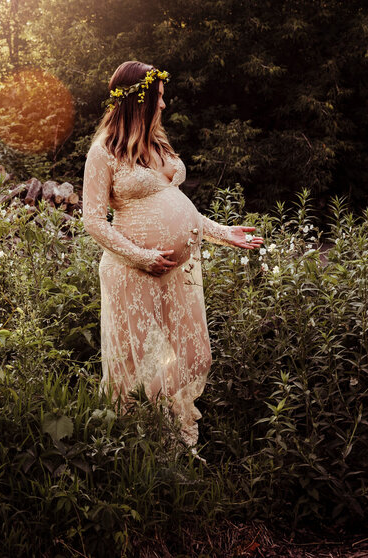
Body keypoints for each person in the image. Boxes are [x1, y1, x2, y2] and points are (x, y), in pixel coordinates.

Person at [82, 61, 262, 449]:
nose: (163, 105)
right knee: (138, 362)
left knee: (193, 356)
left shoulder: (158, 144)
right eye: (158, 98)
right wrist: (141, 256)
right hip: (132, 272)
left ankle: (166, 431)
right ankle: (142, 446)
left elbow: (178, 204)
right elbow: (93, 221)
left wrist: (223, 234)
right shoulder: (104, 152)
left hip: (176, 274)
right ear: (139, 101)